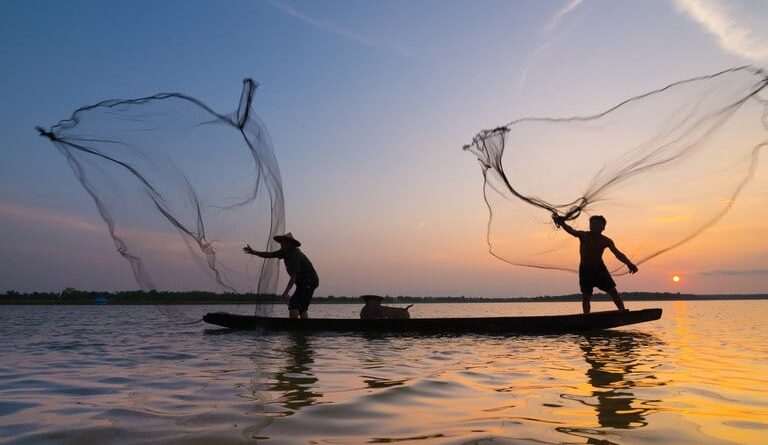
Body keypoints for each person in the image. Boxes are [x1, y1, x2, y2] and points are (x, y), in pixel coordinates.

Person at [552, 214, 638, 314]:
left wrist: (629, 263)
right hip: (585, 270)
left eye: (597, 224)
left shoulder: (606, 240)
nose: (594, 226)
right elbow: (571, 230)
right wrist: (562, 223)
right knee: (586, 296)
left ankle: (623, 313)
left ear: (603, 227)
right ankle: (586, 317)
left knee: (613, 292)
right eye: (592, 224)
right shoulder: (583, 235)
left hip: (600, 269)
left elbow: (617, 253)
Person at [243, 233, 319, 319]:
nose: (282, 244)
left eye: (284, 242)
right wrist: (254, 252)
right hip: (304, 283)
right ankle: (304, 328)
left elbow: (293, 277)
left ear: (290, 244)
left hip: (309, 281)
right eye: (281, 242)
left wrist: (286, 292)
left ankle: (294, 328)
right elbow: (269, 255)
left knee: (294, 304)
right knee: (302, 307)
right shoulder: (284, 252)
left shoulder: (294, 254)